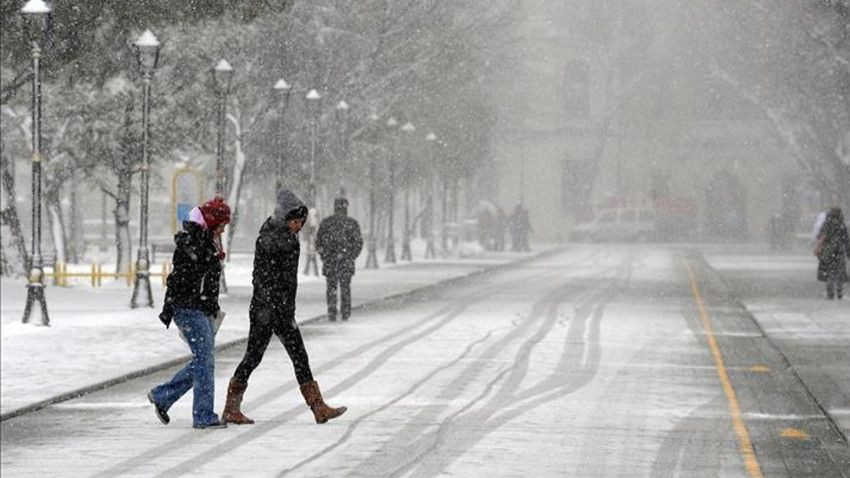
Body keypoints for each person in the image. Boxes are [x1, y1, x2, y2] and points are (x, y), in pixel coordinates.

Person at [222, 190, 347, 425]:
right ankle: (232, 407)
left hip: (276, 309)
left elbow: (283, 280)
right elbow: (264, 278)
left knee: (287, 356)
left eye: (301, 222)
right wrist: (274, 307)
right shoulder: (273, 239)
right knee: (259, 357)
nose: (298, 226)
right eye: (296, 221)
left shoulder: (281, 236)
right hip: (269, 310)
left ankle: (318, 407)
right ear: (285, 217)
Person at [147, 197, 230, 429]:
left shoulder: (207, 242)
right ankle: (203, 415)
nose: (223, 229)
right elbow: (184, 279)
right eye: (221, 224)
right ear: (212, 222)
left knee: (203, 360)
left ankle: (163, 396)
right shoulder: (195, 242)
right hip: (188, 308)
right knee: (205, 360)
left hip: (198, 308)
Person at [316, 197, 363, 321]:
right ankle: (345, 311)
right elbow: (358, 243)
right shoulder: (352, 223)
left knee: (331, 286)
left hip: (329, 260)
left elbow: (318, 242)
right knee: (345, 287)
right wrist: (350, 256)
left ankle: (332, 310)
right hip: (346, 261)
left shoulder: (326, 223)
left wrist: (324, 256)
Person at [815, 207, 849, 300]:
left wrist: (819, 249)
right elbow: (846, 240)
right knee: (840, 272)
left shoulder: (826, 225)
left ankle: (830, 293)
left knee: (830, 272)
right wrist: (848, 252)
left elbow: (820, 237)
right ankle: (839, 291)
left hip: (828, 251)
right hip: (839, 251)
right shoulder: (842, 225)